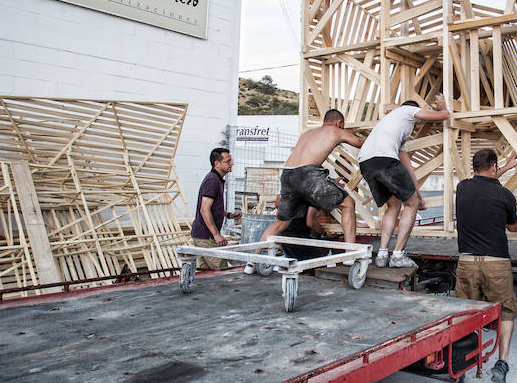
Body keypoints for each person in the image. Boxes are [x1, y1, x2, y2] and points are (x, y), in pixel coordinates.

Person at [245, 109, 364, 274]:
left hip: (287, 174)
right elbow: (359, 143)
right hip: (308, 174)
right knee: (348, 203)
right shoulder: (336, 131)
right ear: (338, 123)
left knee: (281, 222)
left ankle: (252, 262)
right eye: (341, 126)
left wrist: (328, 183)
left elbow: (305, 166)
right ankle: (350, 255)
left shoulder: (307, 134)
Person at [454, 149, 517, 383]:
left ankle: (459, 366)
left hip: (467, 262)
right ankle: (502, 362)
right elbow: (513, 227)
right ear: (493, 167)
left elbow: (483, 184)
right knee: (506, 311)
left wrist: (504, 167)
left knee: (464, 314)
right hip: (496, 263)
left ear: (474, 168)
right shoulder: (505, 195)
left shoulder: (462, 188)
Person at [359, 94, 450, 268]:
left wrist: (418, 197)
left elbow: (408, 170)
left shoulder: (391, 128)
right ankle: (398, 255)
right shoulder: (407, 110)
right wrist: (443, 107)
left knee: (394, 205)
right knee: (410, 205)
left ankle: (382, 255)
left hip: (366, 163)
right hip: (384, 160)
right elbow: (444, 115)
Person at [190, 148, 242, 270]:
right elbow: (204, 210)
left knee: (205, 274)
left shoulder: (217, 179)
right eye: (228, 161)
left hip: (203, 235)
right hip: (206, 237)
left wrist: (229, 215)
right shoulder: (212, 181)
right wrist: (216, 235)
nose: (231, 163)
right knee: (221, 270)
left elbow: (213, 207)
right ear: (217, 163)